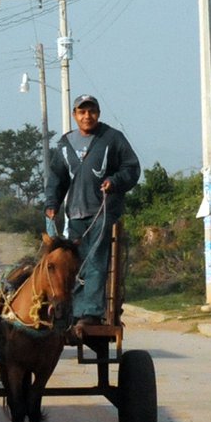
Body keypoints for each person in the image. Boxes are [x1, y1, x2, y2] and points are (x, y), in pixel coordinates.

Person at [43, 93, 140, 326]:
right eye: (82, 111)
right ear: (74, 115)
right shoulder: (65, 143)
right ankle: (75, 311)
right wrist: (52, 203)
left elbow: (132, 168)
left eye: (92, 111)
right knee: (74, 262)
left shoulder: (112, 138)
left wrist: (114, 181)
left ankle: (91, 313)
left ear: (98, 113)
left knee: (95, 260)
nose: (87, 116)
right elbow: (57, 177)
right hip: (75, 214)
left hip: (103, 211)